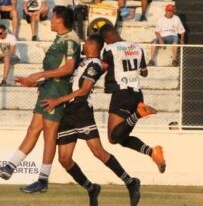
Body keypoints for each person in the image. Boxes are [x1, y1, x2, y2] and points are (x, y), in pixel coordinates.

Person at [0, 6, 80, 194]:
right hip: (49, 88)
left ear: (60, 20)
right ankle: (9, 168)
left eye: (53, 17)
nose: (50, 20)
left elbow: (68, 69)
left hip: (58, 90)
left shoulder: (71, 40)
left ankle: (43, 179)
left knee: (49, 134)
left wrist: (40, 75)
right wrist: (35, 83)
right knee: (33, 129)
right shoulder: (61, 38)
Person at [41, 36, 141, 206]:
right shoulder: (82, 61)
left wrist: (58, 100)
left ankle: (131, 182)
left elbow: (84, 89)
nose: (83, 44)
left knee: (98, 152)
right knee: (64, 159)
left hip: (81, 110)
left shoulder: (94, 64)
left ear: (93, 47)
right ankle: (91, 188)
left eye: (86, 42)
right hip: (68, 112)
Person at [99, 24, 166, 173]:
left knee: (113, 137)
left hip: (121, 93)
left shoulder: (110, 49)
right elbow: (144, 73)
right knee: (122, 137)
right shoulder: (136, 47)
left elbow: (102, 67)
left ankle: (139, 114)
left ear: (106, 38)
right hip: (136, 95)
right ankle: (152, 152)